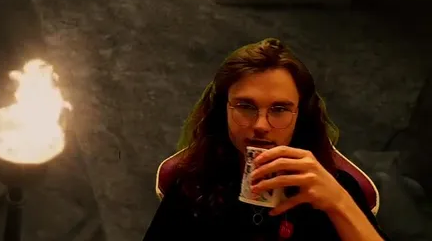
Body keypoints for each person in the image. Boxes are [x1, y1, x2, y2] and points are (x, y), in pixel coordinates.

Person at [145, 38, 386, 241]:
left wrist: (338, 202)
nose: (261, 125)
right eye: (245, 106)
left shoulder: (333, 186)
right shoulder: (194, 186)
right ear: (223, 111)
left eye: (279, 109)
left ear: (301, 115)